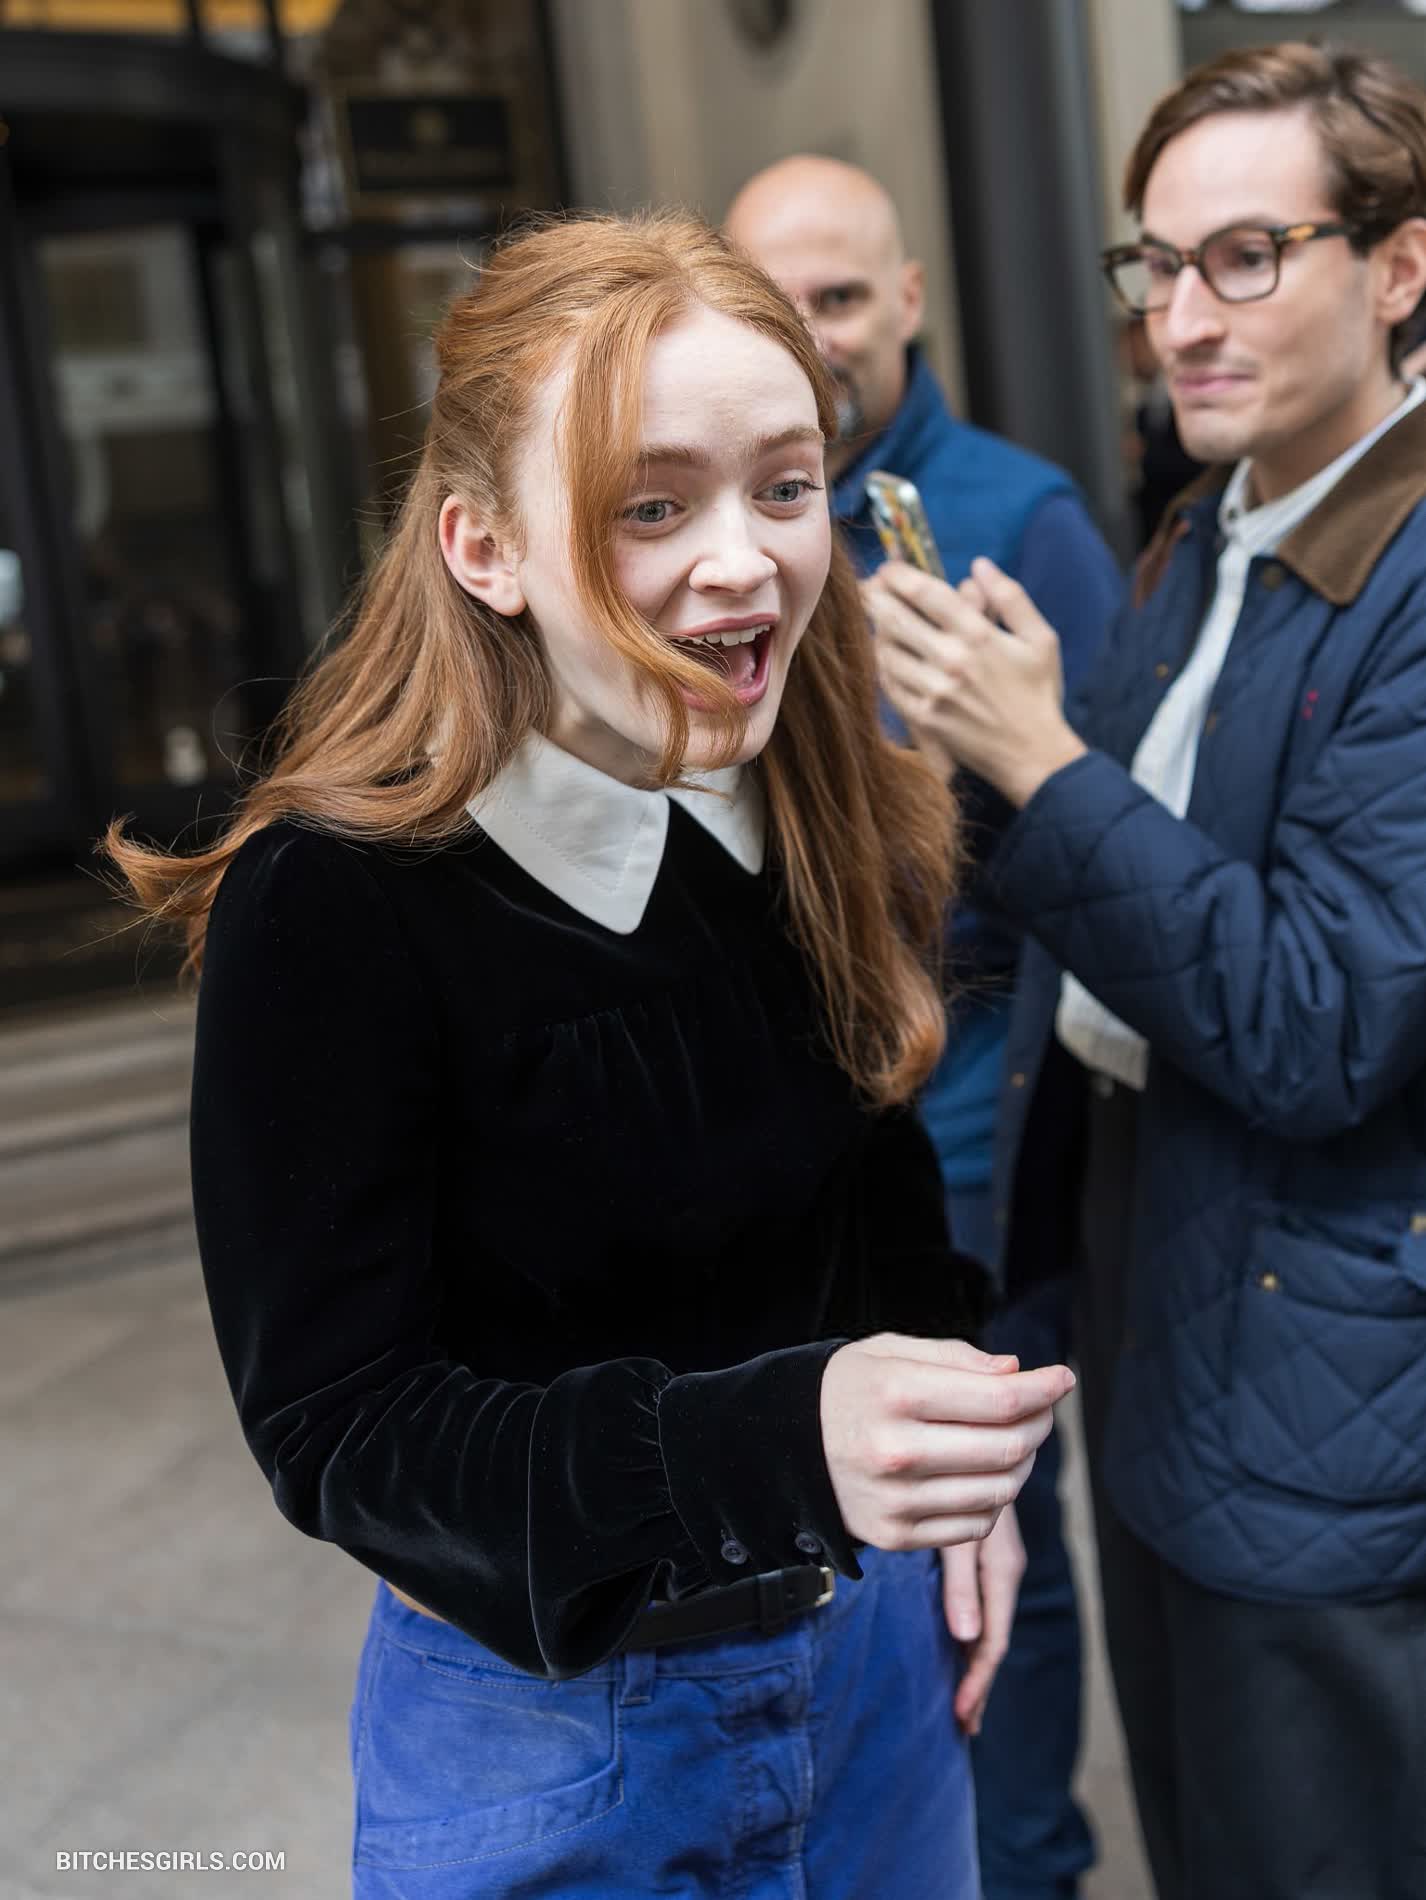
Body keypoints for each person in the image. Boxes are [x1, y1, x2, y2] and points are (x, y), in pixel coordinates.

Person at [104, 211, 1076, 1899]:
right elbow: (341, 1431)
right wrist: (777, 1440)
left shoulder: (810, 793)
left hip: (874, 1668)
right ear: (483, 548)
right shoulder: (333, 900)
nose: (743, 562)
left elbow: (875, 1194)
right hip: (556, 1733)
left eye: (785, 487)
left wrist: (950, 1464)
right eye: (650, 506)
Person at [866, 40, 1426, 1900]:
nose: (1179, 318)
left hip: (1320, 1328)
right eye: (1156, 265)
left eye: (1244, 258)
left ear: (1399, 267)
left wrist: (1039, 758)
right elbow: (1120, 899)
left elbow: (1319, 1019)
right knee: (1201, 1822)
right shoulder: (1213, 522)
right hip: (1152, 1259)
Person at [726, 156, 1119, 1900]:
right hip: (766, 1141)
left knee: (985, 1538)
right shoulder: (718, 520)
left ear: (905, 299)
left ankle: (1023, 1861)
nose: (812, 334)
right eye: (777, 299)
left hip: (957, 1140)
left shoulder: (1018, 515)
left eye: (839, 296)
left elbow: (1108, 838)